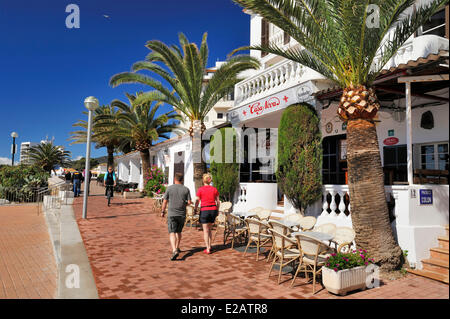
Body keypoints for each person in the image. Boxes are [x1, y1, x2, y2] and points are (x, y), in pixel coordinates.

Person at [160, 173, 192, 260]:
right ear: (182, 180)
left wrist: (162, 211)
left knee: (172, 232)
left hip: (171, 214)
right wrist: (183, 203)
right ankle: (177, 247)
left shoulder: (169, 188)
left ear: (175, 179)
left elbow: (165, 201)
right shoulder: (186, 189)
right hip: (181, 214)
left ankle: (174, 250)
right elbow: (189, 202)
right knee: (179, 232)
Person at [194, 173, 220, 255]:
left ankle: (208, 248)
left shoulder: (200, 189)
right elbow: (218, 202)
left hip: (204, 210)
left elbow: (197, 200)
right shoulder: (214, 189)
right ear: (210, 180)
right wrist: (217, 210)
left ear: (203, 180)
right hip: (213, 210)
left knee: (205, 230)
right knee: (210, 229)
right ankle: (210, 246)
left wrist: (195, 208)